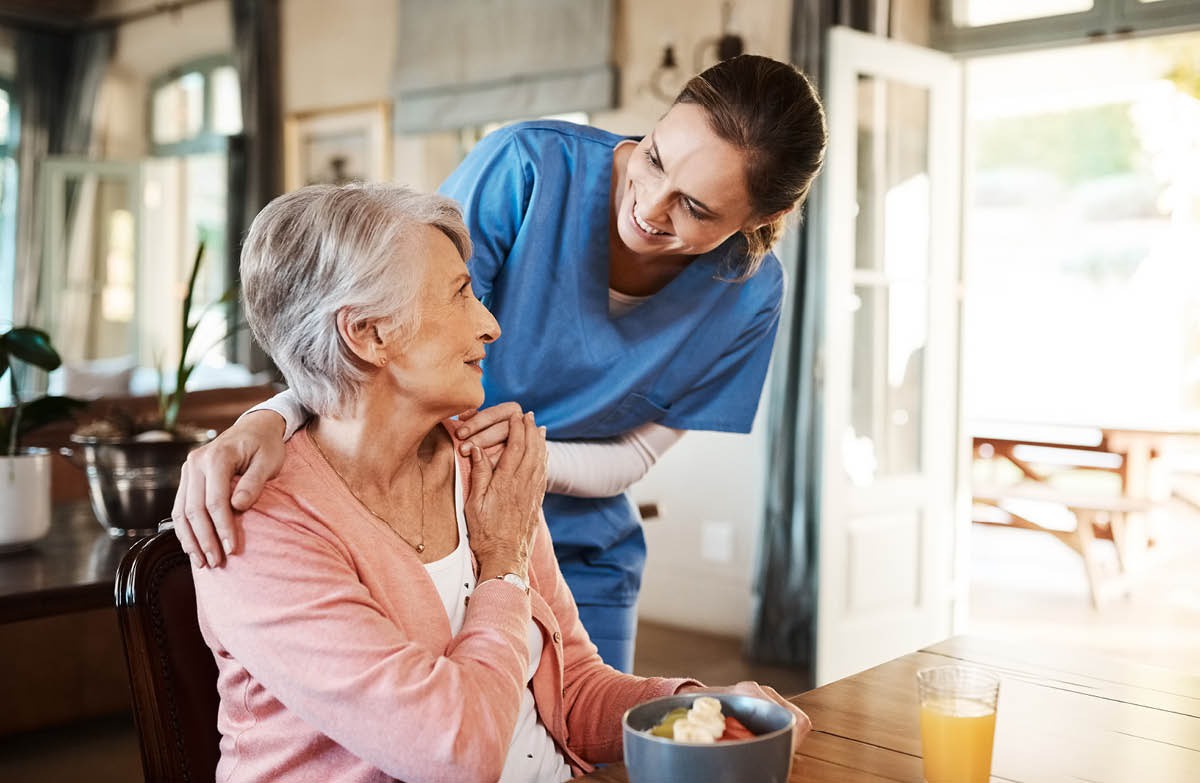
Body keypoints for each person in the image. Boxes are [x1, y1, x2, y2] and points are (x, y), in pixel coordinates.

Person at [173, 54, 828, 673]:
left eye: (695, 207)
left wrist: (520, 466)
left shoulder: (749, 297)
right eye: (654, 158)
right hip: (429, 522)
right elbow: (375, 325)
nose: (649, 206)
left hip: (580, 546)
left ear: (765, 217)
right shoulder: (527, 168)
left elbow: (635, 457)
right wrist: (272, 415)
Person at [193, 182, 811, 782]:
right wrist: (503, 564)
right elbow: (456, 755)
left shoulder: (480, 466)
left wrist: (704, 712)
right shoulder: (259, 525)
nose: (489, 324)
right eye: (460, 295)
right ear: (368, 334)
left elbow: (573, 688)